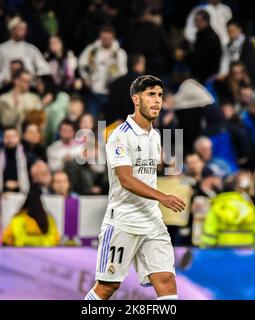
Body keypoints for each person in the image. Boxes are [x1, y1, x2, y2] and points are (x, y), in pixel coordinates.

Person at [85, 75, 185, 301]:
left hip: (151, 219)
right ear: (136, 99)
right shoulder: (120, 136)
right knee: (107, 287)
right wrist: (162, 197)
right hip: (123, 220)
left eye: (160, 95)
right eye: (151, 94)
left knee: (167, 281)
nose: (157, 100)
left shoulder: (155, 135)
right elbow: (126, 180)